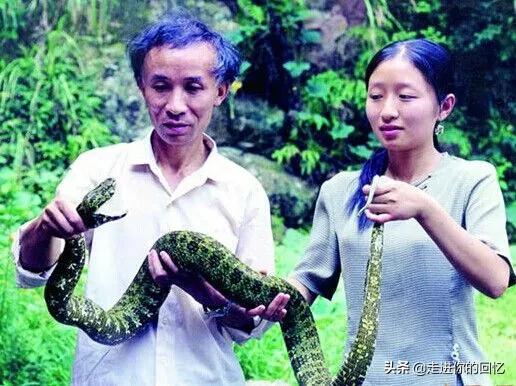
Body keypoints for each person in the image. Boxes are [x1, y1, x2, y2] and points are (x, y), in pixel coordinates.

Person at [11, 11, 288, 386]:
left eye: (193, 87)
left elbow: (249, 324)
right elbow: (31, 272)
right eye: (160, 86)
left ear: (220, 91)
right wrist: (45, 227)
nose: (175, 105)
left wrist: (201, 290)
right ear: (142, 86)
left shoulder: (244, 190)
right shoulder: (97, 170)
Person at [284, 39, 515, 385]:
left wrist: (424, 209)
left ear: (444, 106)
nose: (387, 111)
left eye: (405, 97)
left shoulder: (472, 179)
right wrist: (253, 298)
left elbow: (496, 280)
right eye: (376, 96)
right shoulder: (340, 191)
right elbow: (304, 283)